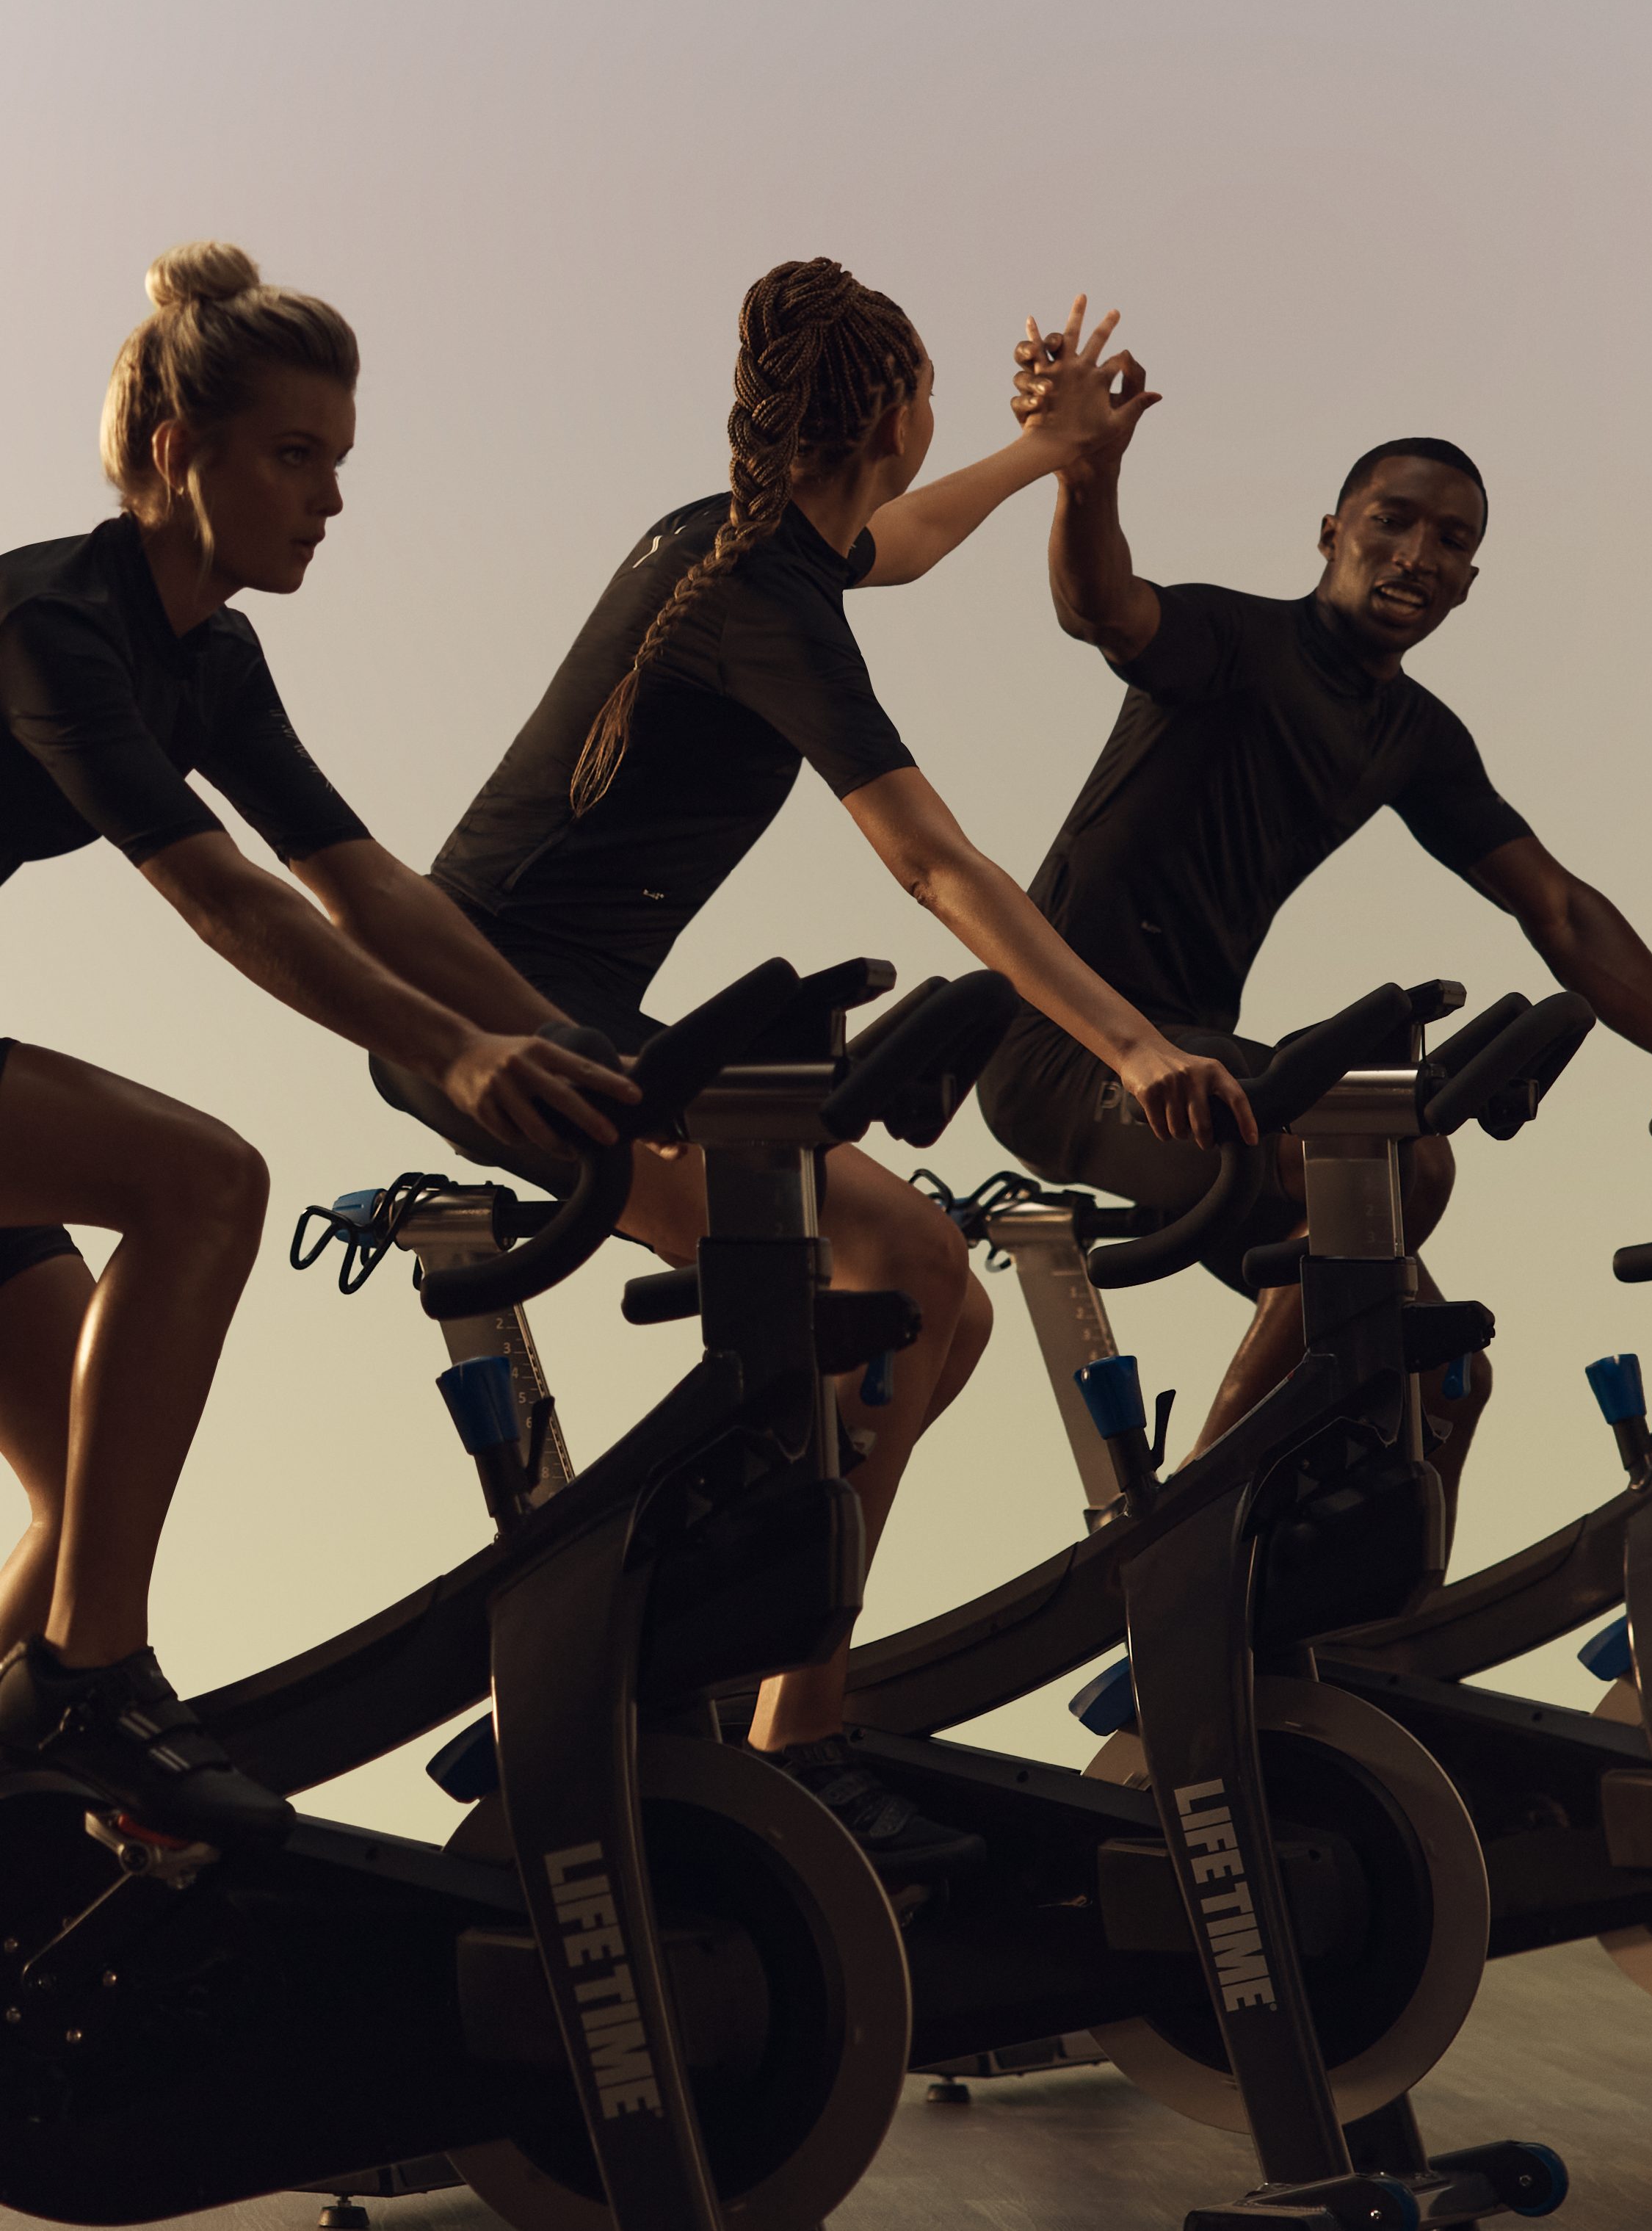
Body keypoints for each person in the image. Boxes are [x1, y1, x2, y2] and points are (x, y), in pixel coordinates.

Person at [430, 258, 1253, 1879]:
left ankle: (738, 1685)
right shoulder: (758, 601)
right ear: (890, 411)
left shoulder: (745, 546)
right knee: (894, 1257)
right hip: (500, 1024)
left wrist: (1058, 459)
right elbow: (937, 863)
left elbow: (913, 538)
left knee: (927, 1293)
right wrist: (1136, 1041)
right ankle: (700, 1693)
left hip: (565, 1005)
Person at [0, 243, 637, 1847]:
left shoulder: (207, 656)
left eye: (338, 462)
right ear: (175, 454)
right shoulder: (54, 624)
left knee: (86, 1497)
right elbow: (217, 892)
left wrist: (566, 1051)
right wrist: (454, 1054)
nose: (331, 501)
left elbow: (364, 887)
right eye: (297, 457)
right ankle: (93, 1692)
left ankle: (52, 1703)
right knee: (204, 1181)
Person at [979, 322, 1652, 1533]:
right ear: (1330, 531)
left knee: (1444, 1375)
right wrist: (1087, 468)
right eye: (1390, 519)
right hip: (1071, 1053)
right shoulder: (1233, 641)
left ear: (1470, 581)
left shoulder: (1414, 738)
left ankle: (1357, 1649)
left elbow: (1554, 906)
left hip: (1204, 1065)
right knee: (1397, 1159)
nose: (1415, 553)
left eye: (1451, 541)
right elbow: (1101, 607)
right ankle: (1188, 1532)